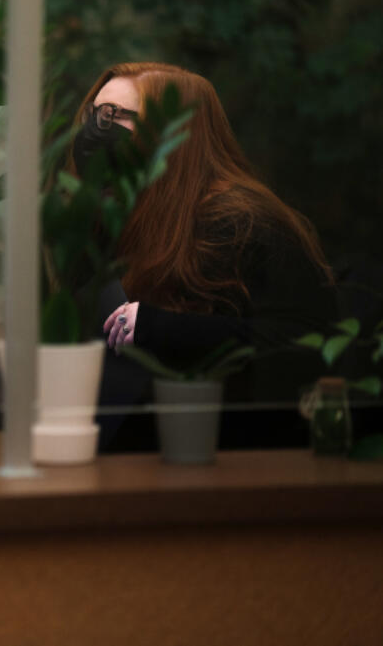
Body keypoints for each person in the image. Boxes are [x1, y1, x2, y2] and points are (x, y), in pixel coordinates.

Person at [73, 62, 337, 449]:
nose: (96, 132)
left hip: (236, 457)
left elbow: (301, 341)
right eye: (94, 116)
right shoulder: (122, 216)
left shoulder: (243, 222)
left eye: (114, 117)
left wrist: (159, 326)